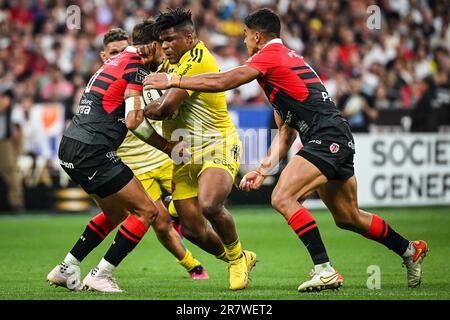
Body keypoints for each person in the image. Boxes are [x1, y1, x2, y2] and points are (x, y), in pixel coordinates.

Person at [144, 8, 428, 292]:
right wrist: (262, 169)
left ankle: (325, 270)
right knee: (348, 217)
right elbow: (286, 132)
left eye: (245, 36)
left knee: (282, 197)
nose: (244, 43)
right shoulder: (282, 65)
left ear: (257, 36)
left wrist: (172, 80)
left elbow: (222, 81)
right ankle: (408, 249)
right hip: (335, 137)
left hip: (326, 137)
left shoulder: (270, 55)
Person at [46, 21, 186, 293]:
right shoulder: (136, 68)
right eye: (163, 45)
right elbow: (134, 121)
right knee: (147, 211)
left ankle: (66, 267)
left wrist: (166, 147)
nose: (166, 51)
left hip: (71, 147)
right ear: (152, 46)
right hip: (94, 151)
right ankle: (100, 275)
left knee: (115, 212)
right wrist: (156, 112)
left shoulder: (117, 60)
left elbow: (126, 117)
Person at [141, 8, 256, 291]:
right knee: (192, 230)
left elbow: (165, 108)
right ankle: (238, 257)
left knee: (209, 204)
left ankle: (236, 259)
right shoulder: (167, 64)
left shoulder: (198, 60)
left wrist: (142, 107)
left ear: (190, 37)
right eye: (162, 41)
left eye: (170, 39)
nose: (165, 46)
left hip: (217, 144)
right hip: (184, 154)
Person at [100, 26, 208, 280]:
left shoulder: (144, 72)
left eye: (123, 49)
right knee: (158, 221)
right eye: (113, 52)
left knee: (203, 195)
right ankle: (194, 266)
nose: (120, 55)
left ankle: (176, 211)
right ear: (104, 55)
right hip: (135, 165)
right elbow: (131, 121)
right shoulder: (102, 83)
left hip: (161, 154)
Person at [0, 88, 24, 212]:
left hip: (4, 143)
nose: (4, 101)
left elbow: (18, 131)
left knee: (11, 172)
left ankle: (16, 203)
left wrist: (18, 148)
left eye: (5, 97)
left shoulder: (14, 110)